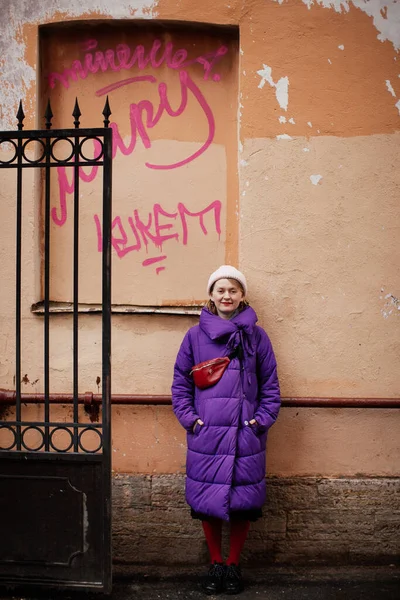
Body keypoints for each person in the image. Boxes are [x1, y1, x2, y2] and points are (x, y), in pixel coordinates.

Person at [171, 265, 281, 595]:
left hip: (246, 435)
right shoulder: (194, 336)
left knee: (242, 502)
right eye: (220, 290)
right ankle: (216, 564)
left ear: (242, 295)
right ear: (210, 296)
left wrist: (260, 422)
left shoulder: (257, 337)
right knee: (208, 501)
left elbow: (271, 388)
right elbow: (180, 384)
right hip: (208, 436)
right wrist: (191, 420)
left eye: (233, 290)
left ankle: (233, 565)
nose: (226, 296)